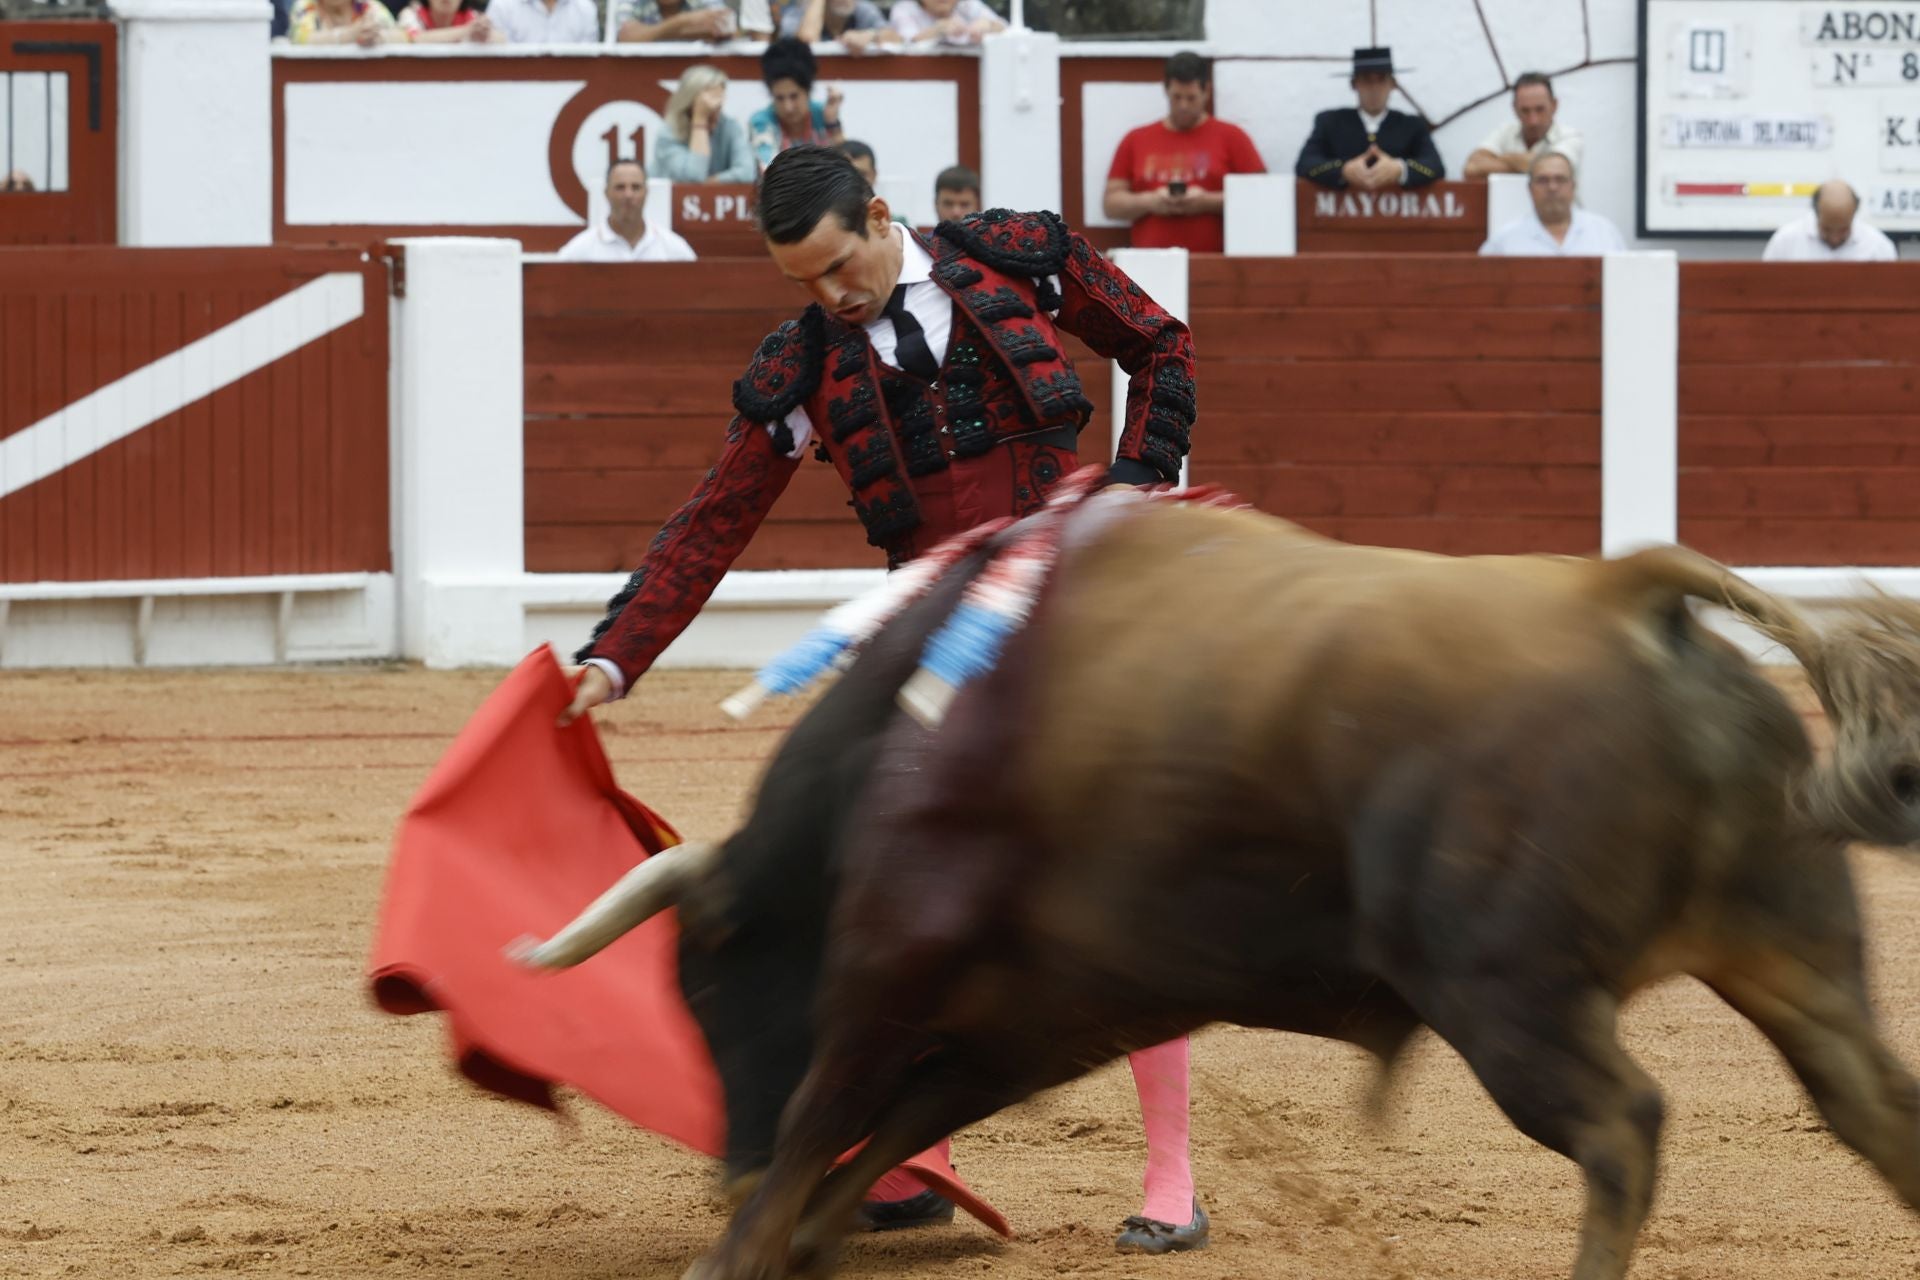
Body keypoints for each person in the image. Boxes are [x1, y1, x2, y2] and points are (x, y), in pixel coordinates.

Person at [559, 146, 1205, 1253]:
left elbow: (1161, 346)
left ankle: (1171, 1173)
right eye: (801, 282)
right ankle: (921, 1153)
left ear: (881, 217)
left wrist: (1140, 484)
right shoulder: (805, 364)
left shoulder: (1022, 260)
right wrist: (613, 655)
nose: (829, 296)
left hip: (1074, 602)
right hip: (928, 640)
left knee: (1118, 864)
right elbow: (712, 522)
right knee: (898, 873)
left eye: (838, 267)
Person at [1103, 51, 1266, 253]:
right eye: (1176, 97)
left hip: (1216, 266)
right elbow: (1111, 204)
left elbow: (1262, 198)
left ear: (1206, 91)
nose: (1183, 106)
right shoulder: (1135, 139)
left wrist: (1206, 202)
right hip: (1149, 266)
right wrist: (1151, 202)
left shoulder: (1233, 137)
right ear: (1166, 90)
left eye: (1191, 98)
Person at [1296, 47, 1444, 190]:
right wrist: (1343, 169)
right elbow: (1305, 165)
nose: (1374, 88)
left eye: (1381, 80)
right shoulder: (1330, 122)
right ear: (1354, 84)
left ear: (1392, 84)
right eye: (1366, 80)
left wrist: (1400, 169)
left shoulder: (1412, 125)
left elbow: (1435, 167)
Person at [1478, 151, 1624, 256]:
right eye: (1543, 180)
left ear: (1573, 186)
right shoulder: (1504, 242)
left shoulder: (1604, 233)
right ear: (1530, 189)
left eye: (1560, 179)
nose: (1552, 187)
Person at [557, 160, 698, 262]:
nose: (628, 195)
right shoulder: (579, 251)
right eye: (620, 187)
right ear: (606, 193)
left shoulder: (674, 250)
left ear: (646, 193)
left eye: (635, 187)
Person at [748, 37, 845, 170]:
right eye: (779, 98)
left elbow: (844, 169)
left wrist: (833, 125)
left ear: (808, 91)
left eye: (794, 97)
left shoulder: (824, 114)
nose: (788, 107)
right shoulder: (761, 122)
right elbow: (768, 170)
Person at [1463, 72, 1583, 179]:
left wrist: (1504, 158)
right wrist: (1527, 166)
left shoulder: (1570, 137)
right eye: (1525, 111)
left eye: (1540, 109)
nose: (1533, 120)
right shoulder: (1505, 132)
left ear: (1554, 105)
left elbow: (1550, 169)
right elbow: (1471, 168)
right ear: (1514, 108)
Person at [652, 66, 758, 184]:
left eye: (718, 106)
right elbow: (694, 176)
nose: (714, 113)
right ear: (689, 103)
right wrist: (700, 121)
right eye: (707, 107)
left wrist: (713, 182)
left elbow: (747, 172)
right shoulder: (668, 133)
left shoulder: (730, 126)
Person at [1763, 181, 1899, 262]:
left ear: (1854, 214)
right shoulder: (1785, 242)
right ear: (1816, 214)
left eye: (1844, 229)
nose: (1835, 238)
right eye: (1827, 229)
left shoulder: (1878, 247)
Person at [782, 0, 897, 50]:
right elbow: (805, 42)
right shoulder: (800, 12)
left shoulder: (862, 8)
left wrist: (871, 36)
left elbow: (895, 37)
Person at [889, 0, 1004, 45]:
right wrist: (938, 30)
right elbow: (906, 42)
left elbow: (1006, 28)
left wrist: (989, 25)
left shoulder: (967, 5)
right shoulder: (904, 9)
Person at [288, 0, 400, 45]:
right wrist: (350, 35)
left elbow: (403, 35)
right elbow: (300, 39)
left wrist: (378, 36)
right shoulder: (306, 5)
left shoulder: (366, 5)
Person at [615, 0, 734, 42]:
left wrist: (649, 33)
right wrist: (682, 20)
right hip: (641, 71)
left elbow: (727, 29)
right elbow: (626, 36)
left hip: (698, 73)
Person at [487, 0, 599, 42]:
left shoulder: (586, 8)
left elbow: (586, 65)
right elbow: (498, 63)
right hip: (514, 90)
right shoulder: (501, 5)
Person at [396, 0, 503, 42]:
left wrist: (484, 34)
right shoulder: (411, 14)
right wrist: (465, 32)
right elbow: (413, 39)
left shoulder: (473, 17)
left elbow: (501, 40)